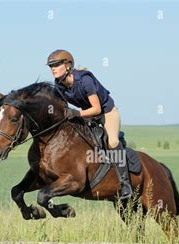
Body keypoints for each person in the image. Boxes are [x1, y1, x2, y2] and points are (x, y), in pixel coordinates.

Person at [46, 49, 132, 199]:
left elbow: (97, 108)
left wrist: (77, 113)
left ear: (67, 65)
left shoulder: (85, 80)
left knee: (112, 142)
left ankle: (125, 184)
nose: (53, 68)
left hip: (106, 113)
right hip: (88, 116)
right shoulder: (59, 84)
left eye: (56, 64)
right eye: (51, 66)